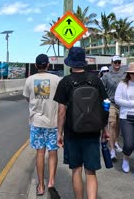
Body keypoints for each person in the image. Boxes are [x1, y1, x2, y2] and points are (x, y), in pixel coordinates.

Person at [53, 47, 109, 199]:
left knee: (76, 170)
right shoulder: (96, 80)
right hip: (93, 131)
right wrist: (104, 129)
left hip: (72, 133)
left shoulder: (65, 82)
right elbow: (104, 105)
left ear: (70, 63)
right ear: (84, 62)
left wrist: (59, 133)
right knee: (91, 172)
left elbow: (61, 111)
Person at [23, 54, 61, 198]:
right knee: (52, 152)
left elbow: (27, 98)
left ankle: (40, 185)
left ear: (35, 65)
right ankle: (51, 182)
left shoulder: (30, 80)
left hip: (36, 122)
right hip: (53, 122)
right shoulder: (57, 80)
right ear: (48, 65)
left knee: (40, 152)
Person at [101, 55, 126, 159]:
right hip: (111, 103)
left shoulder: (125, 75)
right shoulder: (106, 75)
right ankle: (112, 150)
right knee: (112, 124)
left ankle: (115, 142)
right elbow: (102, 89)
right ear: (111, 63)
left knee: (117, 126)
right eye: (115, 62)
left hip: (123, 104)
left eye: (118, 62)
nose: (117, 64)